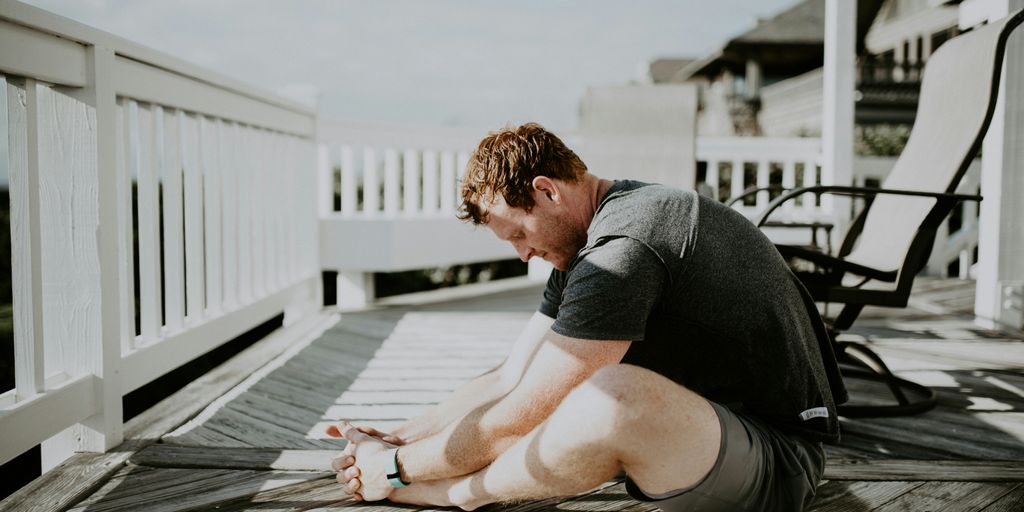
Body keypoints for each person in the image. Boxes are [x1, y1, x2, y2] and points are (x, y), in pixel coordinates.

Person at [327, 123, 847, 511]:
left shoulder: (623, 246)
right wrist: (398, 438)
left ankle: (453, 495)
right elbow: (511, 377)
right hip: (704, 435)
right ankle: (425, 482)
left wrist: (396, 472)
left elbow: (524, 412)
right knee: (567, 390)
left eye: (518, 234)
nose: (522, 254)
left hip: (777, 463)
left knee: (609, 397)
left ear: (546, 190)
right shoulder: (591, 237)